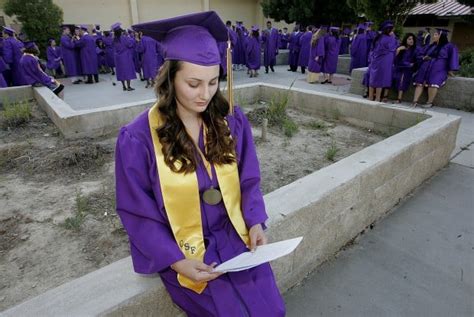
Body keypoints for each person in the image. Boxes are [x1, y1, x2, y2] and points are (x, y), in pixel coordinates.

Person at [116, 11, 285, 316]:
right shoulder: (139, 138)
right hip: (183, 250)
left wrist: (255, 221)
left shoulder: (230, 121)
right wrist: (177, 261)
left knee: (271, 310)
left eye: (212, 82)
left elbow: (248, 178)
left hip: (235, 238)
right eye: (193, 84)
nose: (204, 94)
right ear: (170, 78)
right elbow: (137, 210)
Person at [412, 28, 459, 108]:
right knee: (419, 82)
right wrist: (424, 58)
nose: (433, 36)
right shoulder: (431, 46)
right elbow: (421, 54)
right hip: (426, 66)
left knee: (433, 83)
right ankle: (414, 101)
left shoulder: (449, 46)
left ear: (441, 36)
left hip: (439, 68)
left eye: (436, 34)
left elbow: (452, 58)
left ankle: (429, 103)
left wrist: (450, 70)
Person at [367, 21, 398, 102]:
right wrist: (393, 36)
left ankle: (370, 97)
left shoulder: (378, 37)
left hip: (375, 60)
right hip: (383, 62)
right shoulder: (389, 39)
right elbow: (394, 47)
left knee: (373, 79)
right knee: (380, 81)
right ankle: (377, 98)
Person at [392, 33, 419, 103]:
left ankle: (399, 99)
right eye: (409, 39)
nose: (411, 40)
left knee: (402, 77)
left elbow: (415, 63)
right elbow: (395, 60)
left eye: (412, 39)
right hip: (398, 67)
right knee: (392, 75)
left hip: (408, 69)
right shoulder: (400, 48)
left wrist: (409, 65)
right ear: (405, 40)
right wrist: (398, 50)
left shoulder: (415, 49)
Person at [111, 22, 136, 91]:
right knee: (127, 71)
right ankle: (128, 86)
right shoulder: (124, 38)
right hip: (125, 57)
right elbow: (130, 44)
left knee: (121, 72)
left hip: (118, 58)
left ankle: (123, 86)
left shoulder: (114, 39)